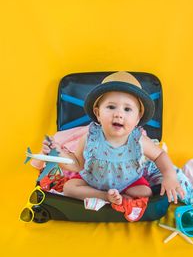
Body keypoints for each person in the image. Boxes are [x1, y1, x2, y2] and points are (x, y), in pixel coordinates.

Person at [41, 71, 185, 205]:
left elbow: (159, 155)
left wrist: (169, 175)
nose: (118, 114)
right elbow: (77, 163)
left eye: (127, 109)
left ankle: (118, 195)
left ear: (137, 118)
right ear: (97, 113)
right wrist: (58, 153)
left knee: (145, 192)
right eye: (111, 107)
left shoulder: (138, 140)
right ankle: (105, 196)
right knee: (69, 188)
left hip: (129, 182)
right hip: (92, 181)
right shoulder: (90, 138)